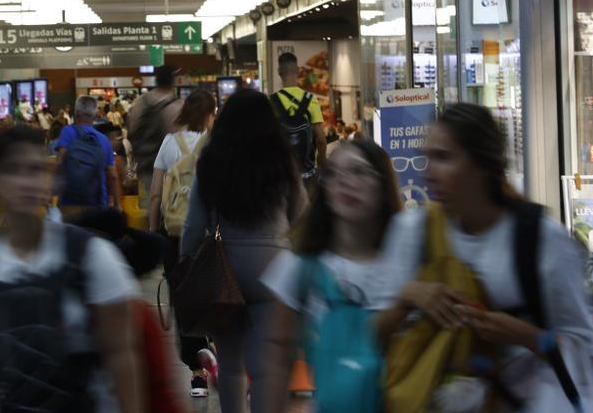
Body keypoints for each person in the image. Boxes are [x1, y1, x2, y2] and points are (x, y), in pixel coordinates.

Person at [377, 104, 593, 412]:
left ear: (481, 165)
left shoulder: (539, 239)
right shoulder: (412, 232)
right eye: (427, 156)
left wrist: (527, 337)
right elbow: (373, 335)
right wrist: (408, 296)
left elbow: (584, 346)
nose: (427, 172)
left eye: (443, 157)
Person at [0, 125, 144, 413]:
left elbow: (122, 354)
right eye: (12, 170)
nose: (25, 182)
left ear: (51, 181)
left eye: (34, 170)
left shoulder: (91, 256)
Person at [180, 90, 306, 413]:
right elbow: (302, 214)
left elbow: (193, 224)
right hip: (274, 267)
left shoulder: (210, 161)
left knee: (231, 363)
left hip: (226, 267)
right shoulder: (281, 159)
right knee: (265, 368)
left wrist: (185, 260)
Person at [260, 138, 403, 412]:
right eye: (333, 173)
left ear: (384, 184)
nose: (345, 182)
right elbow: (277, 359)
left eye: (359, 172)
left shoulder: (407, 267)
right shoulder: (298, 268)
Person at [146, 88, 216, 398]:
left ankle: (197, 373)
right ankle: (217, 352)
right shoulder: (214, 145)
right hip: (207, 235)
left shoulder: (169, 143)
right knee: (214, 294)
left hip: (173, 235)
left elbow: (156, 192)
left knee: (183, 302)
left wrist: (152, 230)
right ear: (210, 114)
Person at [55, 95, 121, 217]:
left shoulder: (67, 132)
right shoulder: (103, 140)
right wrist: (117, 206)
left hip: (69, 203)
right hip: (97, 204)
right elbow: (113, 176)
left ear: (76, 113)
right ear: (96, 115)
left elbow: (59, 163)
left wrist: (54, 194)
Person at [129, 65, 183, 207]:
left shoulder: (141, 102)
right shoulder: (177, 105)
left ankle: (153, 228)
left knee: (151, 203)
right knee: (173, 207)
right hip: (171, 168)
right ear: (173, 81)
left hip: (147, 164)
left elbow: (132, 130)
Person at [272, 53, 327, 189]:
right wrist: (321, 160)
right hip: (307, 175)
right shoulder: (311, 99)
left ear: (279, 72)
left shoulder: (271, 101)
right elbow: (321, 139)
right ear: (298, 70)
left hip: (282, 176)